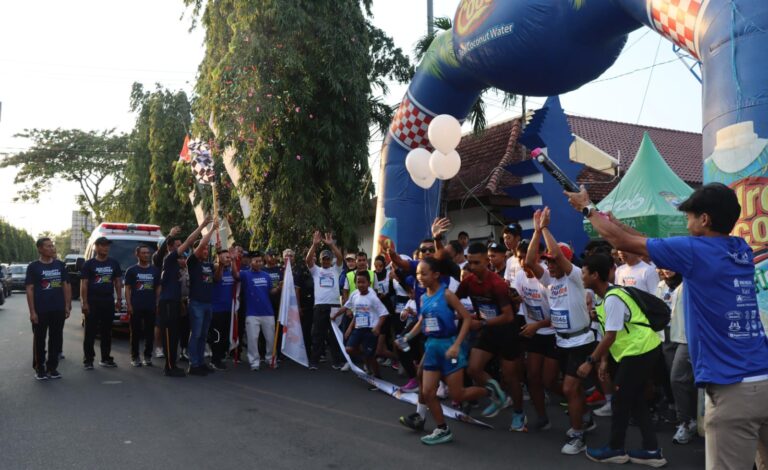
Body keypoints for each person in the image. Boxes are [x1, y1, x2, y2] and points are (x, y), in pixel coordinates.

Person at [567, 182, 768, 470]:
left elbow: (623, 243)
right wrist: (615, 222)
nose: (686, 224)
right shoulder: (740, 249)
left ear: (704, 220)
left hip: (733, 392)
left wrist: (587, 208)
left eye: (689, 217)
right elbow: (649, 243)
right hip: (764, 378)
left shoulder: (695, 251)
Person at [398, 257, 504, 445]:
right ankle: (442, 429)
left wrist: (457, 345)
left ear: (436, 274)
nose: (420, 277)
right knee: (429, 392)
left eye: (424, 273)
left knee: (457, 395)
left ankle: (490, 392)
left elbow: (466, 318)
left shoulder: (447, 295)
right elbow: (422, 321)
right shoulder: (422, 297)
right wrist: (406, 337)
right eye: (417, 274)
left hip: (449, 347)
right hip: (431, 347)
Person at [579, 253, 666, 466]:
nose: (581, 276)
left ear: (595, 275)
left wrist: (590, 361)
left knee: (620, 400)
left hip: (640, 350)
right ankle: (652, 451)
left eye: (584, 272)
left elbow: (610, 335)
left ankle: (615, 448)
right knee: (634, 399)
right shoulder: (604, 299)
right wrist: (604, 361)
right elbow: (610, 333)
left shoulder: (613, 299)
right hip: (635, 351)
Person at [526, 207, 597, 455]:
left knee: (568, 388)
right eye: (547, 261)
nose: (550, 264)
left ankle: (578, 436)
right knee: (569, 387)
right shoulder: (550, 280)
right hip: (561, 341)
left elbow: (557, 252)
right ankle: (585, 416)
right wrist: (536, 231)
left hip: (580, 341)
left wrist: (545, 227)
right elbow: (528, 262)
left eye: (554, 261)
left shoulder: (574, 277)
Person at [458, 242, 526, 431]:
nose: (472, 267)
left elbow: (508, 316)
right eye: (469, 263)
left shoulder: (496, 284)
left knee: (511, 377)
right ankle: (496, 394)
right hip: (487, 329)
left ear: (487, 261)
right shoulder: (469, 281)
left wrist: (481, 322)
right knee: (473, 369)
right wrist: (463, 315)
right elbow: (455, 300)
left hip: (506, 331)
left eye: (476, 263)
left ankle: (519, 414)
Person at [157, 217, 210, 377]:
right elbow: (190, 241)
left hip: (174, 302)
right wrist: (202, 225)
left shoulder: (175, 263)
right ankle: (169, 367)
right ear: (170, 248)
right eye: (178, 247)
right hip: (167, 303)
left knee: (174, 336)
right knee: (169, 336)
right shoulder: (169, 258)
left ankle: (173, 364)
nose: (182, 249)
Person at [515, 239, 559, 431]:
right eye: (519, 258)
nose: (523, 262)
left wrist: (538, 325)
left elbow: (560, 315)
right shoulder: (519, 276)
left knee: (548, 381)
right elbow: (517, 300)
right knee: (532, 377)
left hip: (553, 333)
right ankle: (542, 417)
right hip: (534, 333)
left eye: (527, 257)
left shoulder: (548, 278)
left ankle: (580, 407)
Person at [657, 269, 698, 445]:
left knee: (677, 378)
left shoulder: (689, 281)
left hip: (686, 337)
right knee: (679, 379)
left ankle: (687, 422)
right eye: (660, 266)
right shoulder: (661, 286)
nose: (664, 270)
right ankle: (694, 417)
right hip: (666, 336)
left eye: (668, 265)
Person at [26, 237, 71, 380]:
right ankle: (40, 368)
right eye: (48, 246)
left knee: (56, 339)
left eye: (52, 246)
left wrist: (67, 305)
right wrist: (32, 311)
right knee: (39, 339)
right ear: (40, 249)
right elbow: (30, 289)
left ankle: (52, 368)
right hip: (41, 310)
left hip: (57, 309)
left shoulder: (60, 265)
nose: (52, 248)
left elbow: (65, 285)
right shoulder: (33, 267)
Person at [80, 237, 122, 369]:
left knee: (107, 332)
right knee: (90, 332)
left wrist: (119, 299)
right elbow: (84, 284)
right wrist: (84, 302)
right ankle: (88, 360)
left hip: (108, 300)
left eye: (107, 245)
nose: (106, 248)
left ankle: (105, 358)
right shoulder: (89, 264)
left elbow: (117, 281)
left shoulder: (114, 263)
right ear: (96, 247)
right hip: (93, 301)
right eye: (103, 245)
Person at [305, 231, 345, 370]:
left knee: (334, 336)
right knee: (317, 335)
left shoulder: (336, 270)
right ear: (321, 260)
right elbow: (308, 260)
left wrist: (332, 245)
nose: (326, 261)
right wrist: (314, 245)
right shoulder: (316, 271)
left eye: (328, 259)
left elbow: (340, 258)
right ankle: (314, 362)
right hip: (320, 306)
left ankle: (336, 362)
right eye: (324, 259)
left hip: (334, 306)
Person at [340, 271, 389, 379]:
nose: (361, 284)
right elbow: (347, 307)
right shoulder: (354, 294)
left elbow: (384, 313)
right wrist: (335, 316)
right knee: (348, 349)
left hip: (370, 329)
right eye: (358, 282)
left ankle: (377, 376)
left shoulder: (373, 297)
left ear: (369, 283)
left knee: (371, 357)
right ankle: (365, 353)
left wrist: (377, 327)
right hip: (358, 328)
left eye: (363, 282)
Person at [185, 220, 218, 376]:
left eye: (207, 249)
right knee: (196, 334)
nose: (205, 251)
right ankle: (194, 364)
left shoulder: (210, 265)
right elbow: (200, 246)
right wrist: (211, 229)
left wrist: (222, 264)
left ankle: (200, 362)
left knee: (204, 335)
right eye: (203, 249)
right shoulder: (192, 262)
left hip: (208, 303)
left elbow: (216, 279)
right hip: (196, 303)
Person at [241, 251, 279, 370]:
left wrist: (279, 288)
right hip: (252, 313)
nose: (259, 263)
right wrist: (233, 260)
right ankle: (254, 362)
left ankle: (270, 359)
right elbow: (235, 275)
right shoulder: (245, 274)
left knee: (271, 339)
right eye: (256, 261)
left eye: (260, 261)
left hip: (267, 312)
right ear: (251, 262)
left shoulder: (266, 276)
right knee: (253, 339)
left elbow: (271, 291)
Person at [124, 244, 161, 367]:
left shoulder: (155, 271)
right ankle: (135, 357)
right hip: (136, 306)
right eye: (143, 253)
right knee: (135, 333)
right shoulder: (132, 270)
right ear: (137, 254)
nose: (146, 255)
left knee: (149, 333)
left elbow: (158, 288)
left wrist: (157, 303)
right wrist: (129, 305)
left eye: (148, 253)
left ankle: (147, 356)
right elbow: (127, 289)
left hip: (150, 306)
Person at [209, 248, 240, 370]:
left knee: (225, 336)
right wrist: (221, 265)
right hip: (217, 310)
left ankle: (220, 357)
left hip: (229, 310)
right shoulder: (215, 268)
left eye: (228, 257)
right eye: (225, 257)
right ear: (218, 258)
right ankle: (214, 360)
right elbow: (216, 279)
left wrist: (232, 261)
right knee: (217, 336)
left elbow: (237, 277)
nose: (227, 259)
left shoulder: (231, 270)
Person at [503, 223, 524, 287]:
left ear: (517, 238)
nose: (505, 241)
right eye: (504, 238)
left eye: (508, 238)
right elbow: (507, 281)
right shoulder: (509, 261)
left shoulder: (526, 259)